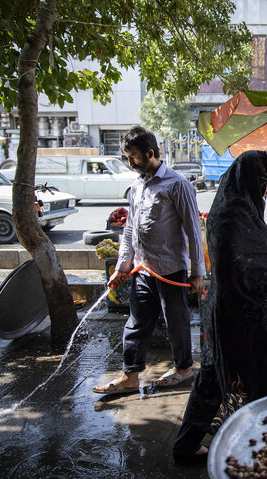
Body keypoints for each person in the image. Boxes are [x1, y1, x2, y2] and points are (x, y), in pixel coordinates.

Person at [172, 150, 267, 464]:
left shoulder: (241, 207)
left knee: (219, 378)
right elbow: (238, 265)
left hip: (246, 312)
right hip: (235, 314)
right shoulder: (230, 214)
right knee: (218, 377)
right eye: (266, 183)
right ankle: (193, 446)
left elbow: (252, 250)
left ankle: (193, 444)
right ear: (250, 180)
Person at [93, 126, 205, 395]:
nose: (129, 163)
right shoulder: (136, 187)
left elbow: (193, 229)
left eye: (133, 157)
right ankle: (130, 376)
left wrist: (196, 271)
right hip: (143, 269)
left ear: (150, 153)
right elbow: (130, 230)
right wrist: (123, 266)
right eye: (127, 157)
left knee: (175, 321)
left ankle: (183, 369)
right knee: (136, 321)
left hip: (171, 271)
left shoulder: (178, 184)